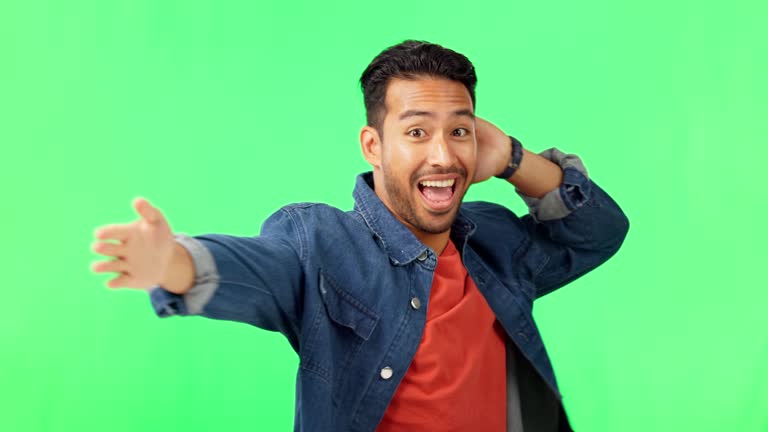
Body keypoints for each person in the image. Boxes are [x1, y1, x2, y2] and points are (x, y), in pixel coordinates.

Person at [91, 40, 629, 432]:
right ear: (373, 146)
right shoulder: (321, 241)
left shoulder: (490, 238)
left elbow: (598, 233)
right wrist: (171, 262)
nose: (443, 156)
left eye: (459, 131)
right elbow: (257, 270)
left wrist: (514, 158)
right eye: (417, 132)